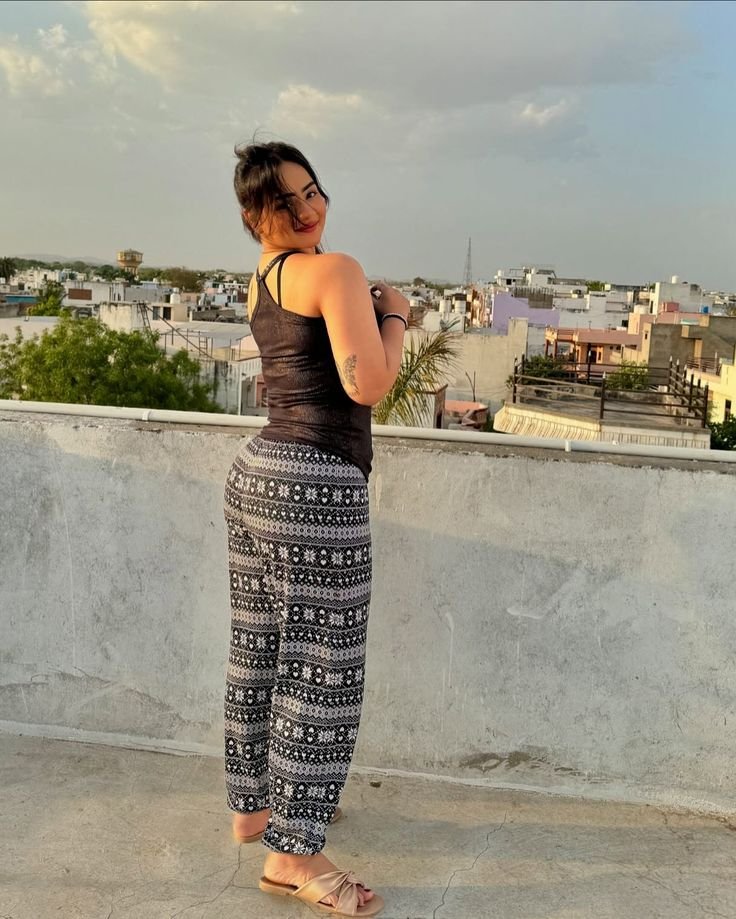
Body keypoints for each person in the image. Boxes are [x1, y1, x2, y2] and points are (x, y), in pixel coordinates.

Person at [223, 140, 410, 917]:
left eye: (313, 191)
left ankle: (255, 808)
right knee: (321, 671)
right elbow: (368, 382)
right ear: (253, 215)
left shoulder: (262, 278)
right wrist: (394, 316)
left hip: (256, 473)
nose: (307, 209)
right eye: (285, 200)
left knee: (259, 648)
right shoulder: (335, 271)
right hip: (316, 486)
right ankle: (293, 855)